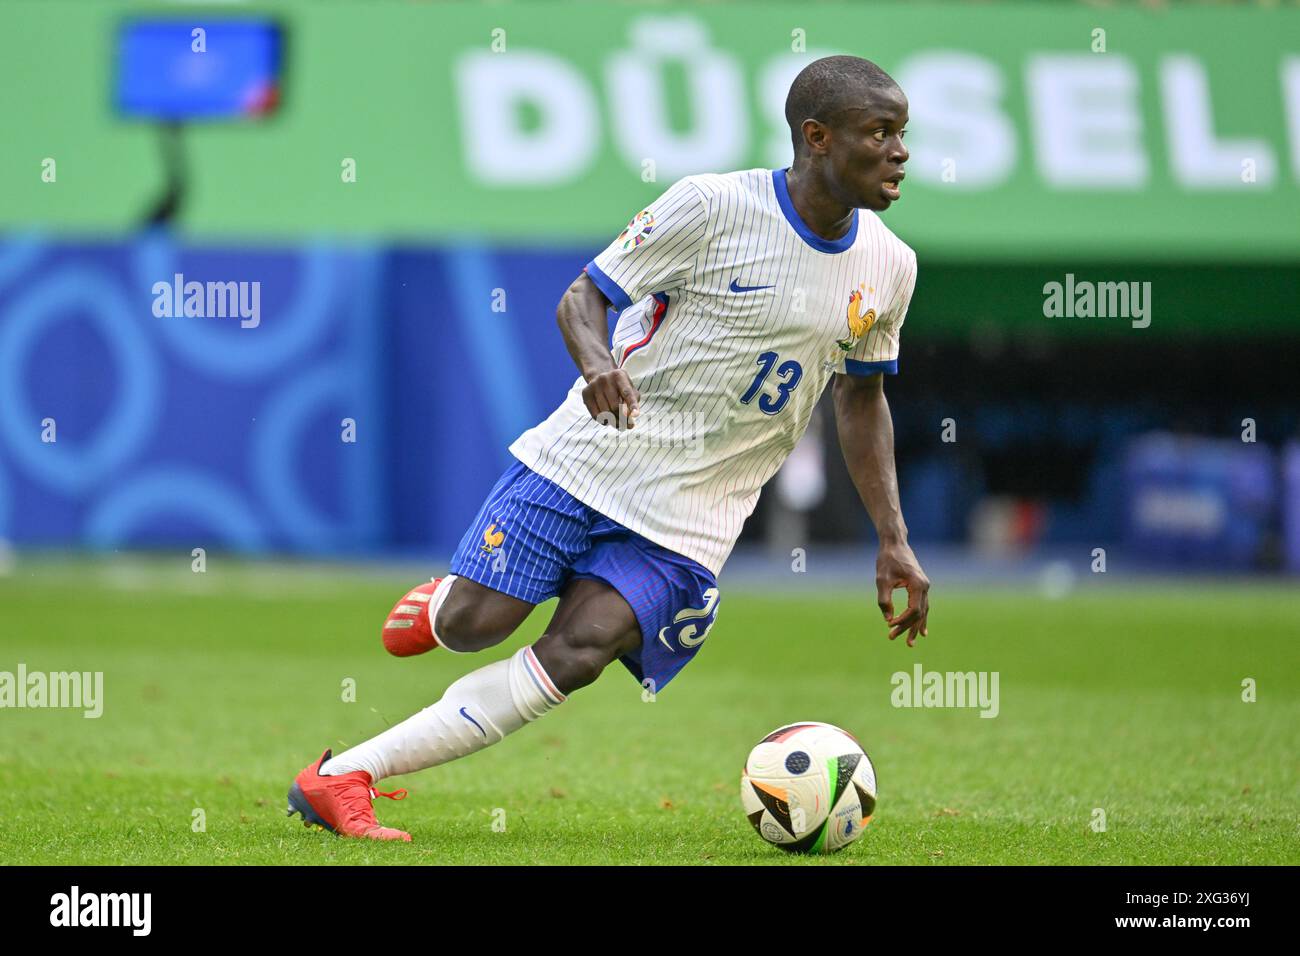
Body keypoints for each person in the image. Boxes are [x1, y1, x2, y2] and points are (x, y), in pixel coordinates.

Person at [287, 54, 930, 842]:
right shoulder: (712, 206)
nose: (900, 152)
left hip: (697, 512)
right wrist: (598, 367)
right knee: (475, 625)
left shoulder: (891, 267)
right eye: (881, 133)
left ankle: (341, 776)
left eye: (904, 134)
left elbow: (862, 398)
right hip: (588, 458)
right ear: (817, 137)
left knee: (579, 653)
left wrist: (894, 539)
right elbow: (582, 297)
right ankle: (446, 603)